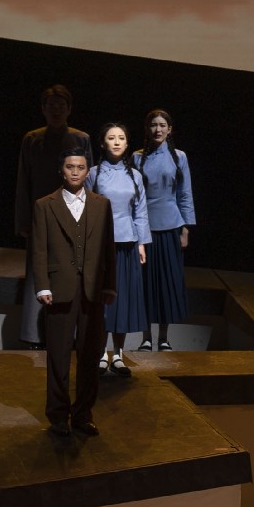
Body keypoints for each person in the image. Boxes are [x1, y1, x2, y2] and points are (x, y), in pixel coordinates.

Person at [30, 150, 116, 437]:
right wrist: (42, 284)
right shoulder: (45, 205)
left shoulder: (101, 205)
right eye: (70, 167)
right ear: (62, 170)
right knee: (58, 355)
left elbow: (109, 248)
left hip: (93, 289)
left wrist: (110, 285)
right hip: (59, 289)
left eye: (80, 167)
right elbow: (38, 249)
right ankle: (58, 415)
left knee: (90, 354)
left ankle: (83, 414)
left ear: (88, 172)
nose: (75, 172)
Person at [13, 86, 89, 347]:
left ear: (69, 109)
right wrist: (23, 220)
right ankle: (33, 337)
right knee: (37, 272)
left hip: (73, 215)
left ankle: (70, 334)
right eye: (51, 105)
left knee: (71, 272)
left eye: (61, 106)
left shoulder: (81, 138)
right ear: (43, 109)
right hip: (39, 216)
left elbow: (89, 181)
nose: (56, 110)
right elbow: (23, 181)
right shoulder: (32, 139)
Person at [88, 122, 149, 376]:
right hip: (101, 245)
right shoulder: (93, 173)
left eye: (121, 138)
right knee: (103, 300)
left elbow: (140, 211)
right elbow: (85, 209)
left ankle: (119, 354)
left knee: (122, 299)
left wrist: (142, 243)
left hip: (127, 244)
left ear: (127, 144)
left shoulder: (135, 175)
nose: (116, 142)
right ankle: (102, 352)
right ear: (102, 143)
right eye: (111, 138)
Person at [135, 109, 195, 351]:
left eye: (162, 125)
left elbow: (184, 193)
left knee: (166, 284)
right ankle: (146, 337)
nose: (157, 129)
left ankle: (163, 337)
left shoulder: (179, 157)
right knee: (145, 284)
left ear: (169, 130)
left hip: (171, 226)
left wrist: (185, 229)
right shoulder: (137, 157)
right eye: (153, 125)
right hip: (144, 227)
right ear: (147, 129)